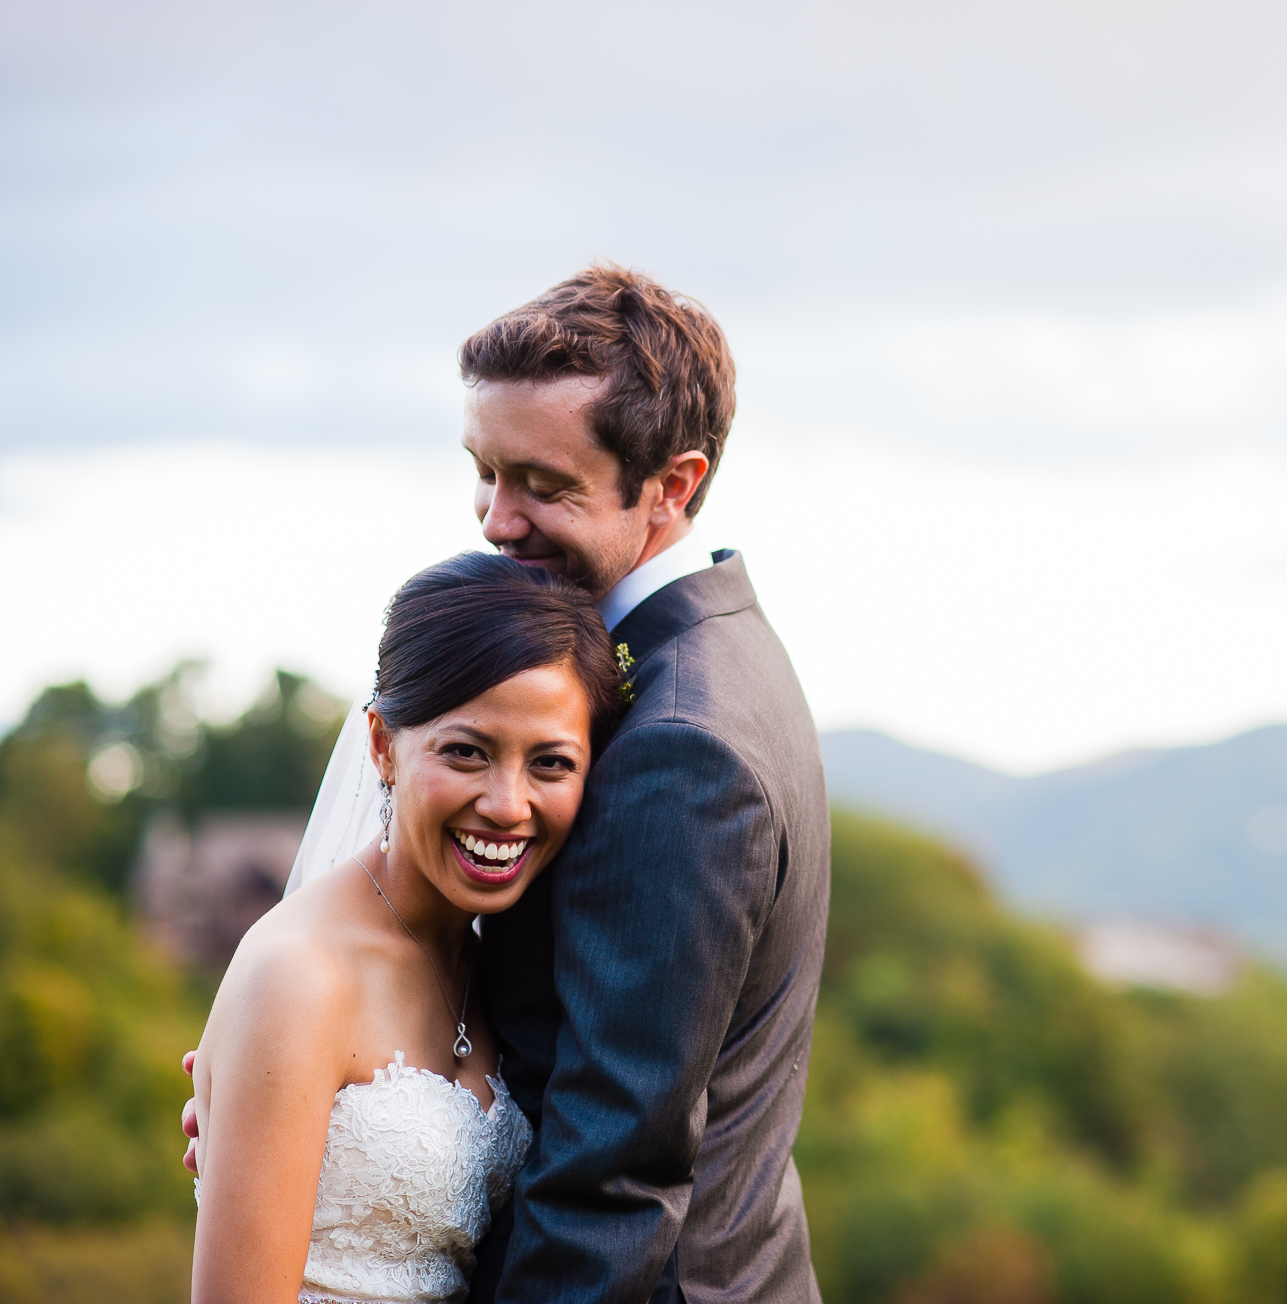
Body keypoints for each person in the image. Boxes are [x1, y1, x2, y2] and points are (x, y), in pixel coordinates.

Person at [187, 264, 831, 1303]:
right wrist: (293, 1097)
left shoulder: (681, 740)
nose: (496, 518)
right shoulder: (720, 649)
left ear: (670, 484)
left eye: (543, 484)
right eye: (484, 472)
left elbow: (610, 1174)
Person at [189, 553, 624, 1304]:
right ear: (384, 746)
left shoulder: (505, 961)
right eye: (466, 752)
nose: (507, 805)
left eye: (551, 764)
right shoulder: (298, 976)